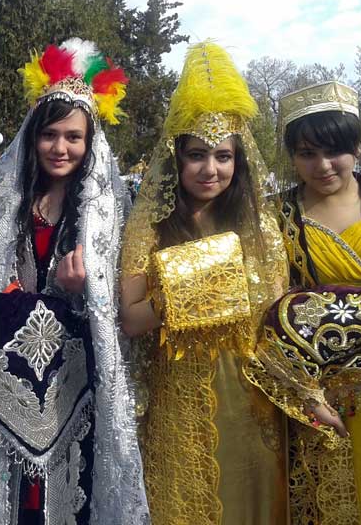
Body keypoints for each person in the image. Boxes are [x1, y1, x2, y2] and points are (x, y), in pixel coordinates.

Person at [0, 39, 149, 525]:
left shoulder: (106, 214)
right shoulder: (1, 202)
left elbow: (113, 307)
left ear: (89, 142)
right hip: (4, 376)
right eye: (50, 135)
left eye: (73, 137)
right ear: (33, 138)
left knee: (64, 490)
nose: (61, 148)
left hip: (72, 385)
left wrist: (79, 294)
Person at [245, 80, 361, 524]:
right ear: (292, 157)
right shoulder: (275, 215)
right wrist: (305, 396)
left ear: (358, 148)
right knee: (319, 504)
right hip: (308, 395)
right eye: (307, 153)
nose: (323, 165)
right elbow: (270, 312)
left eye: (335, 151)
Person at [119, 41, 289, 524]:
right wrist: (194, 289)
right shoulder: (148, 228)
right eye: (196, 155)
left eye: (222, 156)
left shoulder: (261, 227)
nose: (210, 169)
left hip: (250, 393)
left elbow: (277, 315)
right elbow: (131, 320)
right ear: (177, 159)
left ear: (239, 162)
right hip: (177, 393)